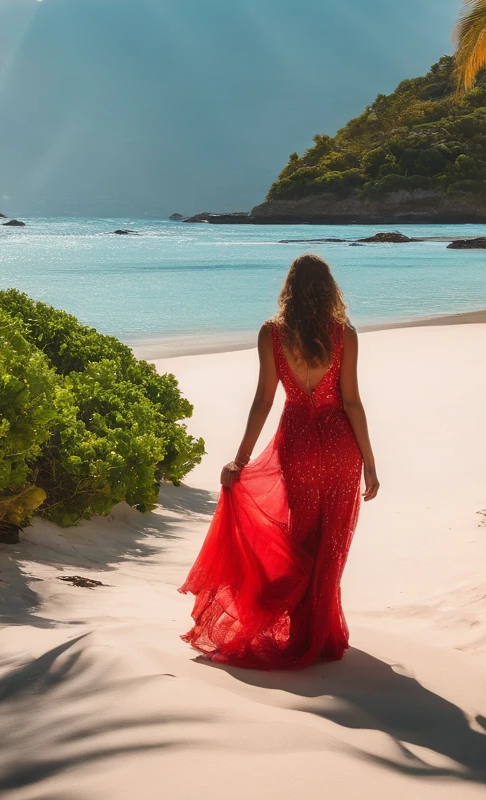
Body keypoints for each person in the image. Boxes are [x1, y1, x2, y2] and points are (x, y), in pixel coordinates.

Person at [180, 253, 379, 670]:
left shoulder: (272, 335)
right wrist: (371, 463)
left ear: (289, 291)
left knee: (303, 537)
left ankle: (301, 628)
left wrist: (240, 459)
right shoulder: (345, 335)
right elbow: (352, 402)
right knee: (333, 541)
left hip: (298, 444)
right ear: (330, 291)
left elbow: (263, 400)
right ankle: (318, 633)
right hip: (341, 446)